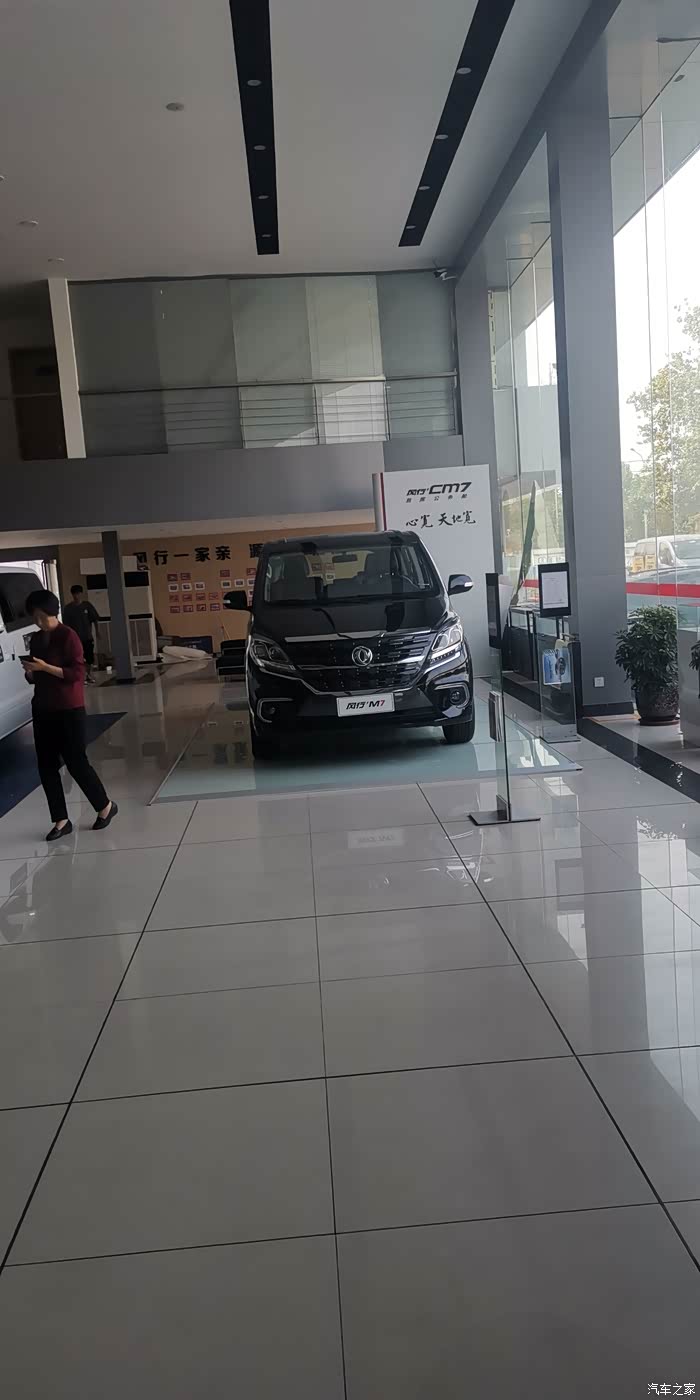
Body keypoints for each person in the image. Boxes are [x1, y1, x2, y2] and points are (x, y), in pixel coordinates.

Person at [21, 589, 117, 842]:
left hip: (68, 709)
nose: (38, 622)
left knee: (76, 762)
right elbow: (36, 677)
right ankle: (61, 820)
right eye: (34, 617)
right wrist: (31, 672)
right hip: (43, 708)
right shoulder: (36, 639)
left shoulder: (68, 636)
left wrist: (45, 667)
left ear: (53, 612)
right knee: (46, 766)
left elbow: (76, 674)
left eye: (42, 616)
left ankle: (105, 806)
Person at [62, 583, 99, 682]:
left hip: (87, 636)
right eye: (74, 594)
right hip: (75, 638)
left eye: (78, 593)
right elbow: (66, 625)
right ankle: (81, 676)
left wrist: (98, 631)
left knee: (89, 657)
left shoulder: (87, 605)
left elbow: (95, 619)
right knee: (78, 657)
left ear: (81, 594)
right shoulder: (68, 608)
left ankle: (88, 674)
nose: (76, 596)